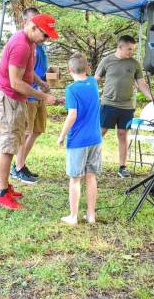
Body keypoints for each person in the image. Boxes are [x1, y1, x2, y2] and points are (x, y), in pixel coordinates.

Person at [0, 13, 58, 210]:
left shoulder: (30, 43)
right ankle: (2, 193)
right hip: (9, 99)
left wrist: (39, 82)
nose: (46, 39)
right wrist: (44, 96)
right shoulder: (21, 45)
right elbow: (16, 82)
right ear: (32, 27)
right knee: (8, 145)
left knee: (14, 141)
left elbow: (27, 72)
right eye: (45, 35)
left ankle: (1, 185)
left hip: (17, 99)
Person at [95, 35, 154, 178]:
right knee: (100, 132)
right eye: (129, 49)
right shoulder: (107, 60)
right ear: (120, 47)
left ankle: (122, 167)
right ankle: (91, 162)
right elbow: (96, 80)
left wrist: (153, 98)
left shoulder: (134, 64)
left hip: (126, 106)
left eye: (133, 49)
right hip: (108, 104)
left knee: (123, 135)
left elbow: (142, 84)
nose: (131, 52)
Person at [58, 53, 102, 226]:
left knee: (75, 179)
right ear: (88, 68)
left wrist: (62, 135)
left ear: (69, 70)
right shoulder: (93, 83)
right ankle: (91, 215)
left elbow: (72, 115)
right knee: (91, 177)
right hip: (95, 139)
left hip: (78, 141)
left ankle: (73, 217)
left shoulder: (71, 89)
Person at [11, 7, 50, 184]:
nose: (39, 27)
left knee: (36, 131)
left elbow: (33, 70)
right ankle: (18, 168)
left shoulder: (38, 45)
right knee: (26, 132)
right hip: (29, 95)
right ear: (26, 23)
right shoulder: (22, 44)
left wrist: (42, 83)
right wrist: (38, 90)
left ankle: (21, 164)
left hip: (38, 92)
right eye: (35, 21)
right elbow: (18, 78)